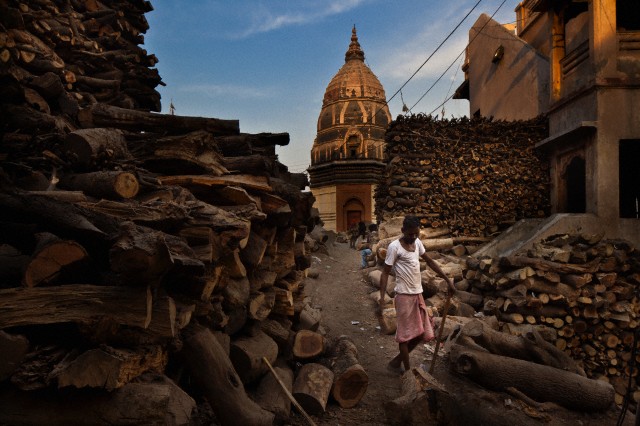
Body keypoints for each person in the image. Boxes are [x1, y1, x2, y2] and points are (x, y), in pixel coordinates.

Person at [379, 216, 455, 373]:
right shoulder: (395, 247)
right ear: (402, 231)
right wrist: (381, 296)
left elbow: (430, 261)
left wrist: (447, 279)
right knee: (405, 336)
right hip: (403, 296)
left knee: (421, 333)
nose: (413, 237)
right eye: (410, 234)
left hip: (417, 294)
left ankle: (396, 362)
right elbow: (385, 272)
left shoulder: (417, 243)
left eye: (416, 234)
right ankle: (407, 372)